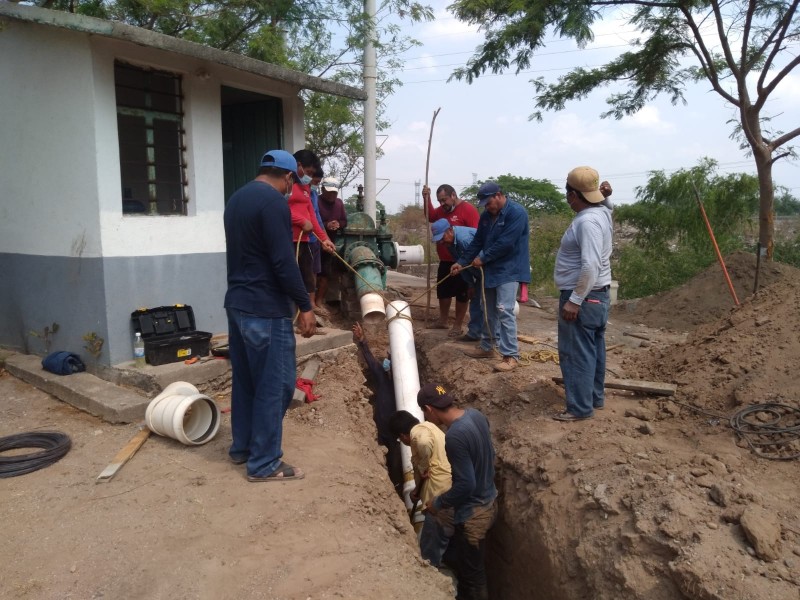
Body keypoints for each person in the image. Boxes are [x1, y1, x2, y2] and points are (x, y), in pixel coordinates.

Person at [223, 149, 316, 482]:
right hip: (265, 308)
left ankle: (243, 448)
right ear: (289, 177)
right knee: (276, 385)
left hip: (237, 303)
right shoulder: (274, 201)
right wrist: (304, 305)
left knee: (247, 380)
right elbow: (282, 261)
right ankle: (263, 463)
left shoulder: (236, 199)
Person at [417, 383, 497, 600]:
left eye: (424, 413)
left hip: (474, 515)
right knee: (468, 565)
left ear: (429, 409)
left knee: (474, 577)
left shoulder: (455, 436)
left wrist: (439, 502)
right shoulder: (476, 415)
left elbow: (466, 485)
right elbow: (490, 454)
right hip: (490, 500)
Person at [553, 166, 614, 422]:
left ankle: (579, 408)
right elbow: (608, 206)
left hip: (584, 297)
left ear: (573, 196)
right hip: (598, 296)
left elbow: (590, 265)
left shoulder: (587, 221)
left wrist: (575, 301)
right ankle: (594, 398)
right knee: (594, 349)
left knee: (577, 353)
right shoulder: (602, 212)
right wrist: (607, 197)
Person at [451, 181, 530, 372]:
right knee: (487, 309)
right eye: (484, 204)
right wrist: (461, 262)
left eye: (489, 202)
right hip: (491, 269)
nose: (487, 206)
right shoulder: (486, 216)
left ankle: (510, 355)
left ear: (499, 195)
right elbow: (478, 241)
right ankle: (487, 347)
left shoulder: (516, 213)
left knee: (504, 310)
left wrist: (483, 258)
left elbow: (506, 243)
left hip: (509, 269)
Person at [388, 409, 453, 567]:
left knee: (428, 553)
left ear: (403, 436)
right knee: (448, 546)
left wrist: (424, 466)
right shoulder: (430, 427)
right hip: (451, 490)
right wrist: (416, 491)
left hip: (438, 498)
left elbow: (423, 444)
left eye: (400, 439)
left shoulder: (418, 435)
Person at [352, 322, 403, 494]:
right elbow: (372, 362)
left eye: (390, 358)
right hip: (381, 431)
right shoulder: (383, 377)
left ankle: (397, 487)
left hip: (398, 438)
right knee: (383, 461)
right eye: (388, 356)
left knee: (397, 465)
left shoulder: (406, 386)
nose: (387, 360)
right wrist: (362, 340)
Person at [423, 184, 480, 335]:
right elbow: (430, 216)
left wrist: (466, 264)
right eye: (439, 201)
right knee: (443, 291)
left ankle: (458, 325)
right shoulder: (442, 211)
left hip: (466, 261)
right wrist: (426, 199)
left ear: (453, 195)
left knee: (463, 292)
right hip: (448, 259)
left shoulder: (468, 210)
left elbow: (477, 238)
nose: (442, 204)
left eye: (444, 200)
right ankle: (443, 320)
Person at [289, 149, 335, 317]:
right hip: (289, 241)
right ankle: (291, 318)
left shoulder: (306, 188)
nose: (308, 176)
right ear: (298, 165)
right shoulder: (286, 184)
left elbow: (312, 216)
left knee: (307, 280)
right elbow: (281, 209)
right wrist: (301, 222)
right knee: (290, 281)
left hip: (306, 242)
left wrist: (324, 239)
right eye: (308, 172)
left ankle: (305, 319)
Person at [431, 219, 485, 344]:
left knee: (490, 306)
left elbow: (480, 260)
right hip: (478, 275)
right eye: (439, 240)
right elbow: (462, 263)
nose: (441, 242)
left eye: (442, 238)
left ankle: (493, 341)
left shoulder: (465, 240)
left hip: (490, 273)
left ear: (449, 230)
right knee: (475, 303)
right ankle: (474, 334)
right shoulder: (450, 244)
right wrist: (470, 285)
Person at [316, 176, 348, 308]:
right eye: (329, 192)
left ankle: (319, 301)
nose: (332, 195)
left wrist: (338, 224)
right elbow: (314, 220)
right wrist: (326, 225)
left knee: (325, 273)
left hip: (330, 245)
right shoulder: (316, 201)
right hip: (315, 242)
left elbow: (344, 221)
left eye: (334, 192)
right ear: (323, 189)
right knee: (312, 273)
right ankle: (310, 303)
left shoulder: (339, 203)